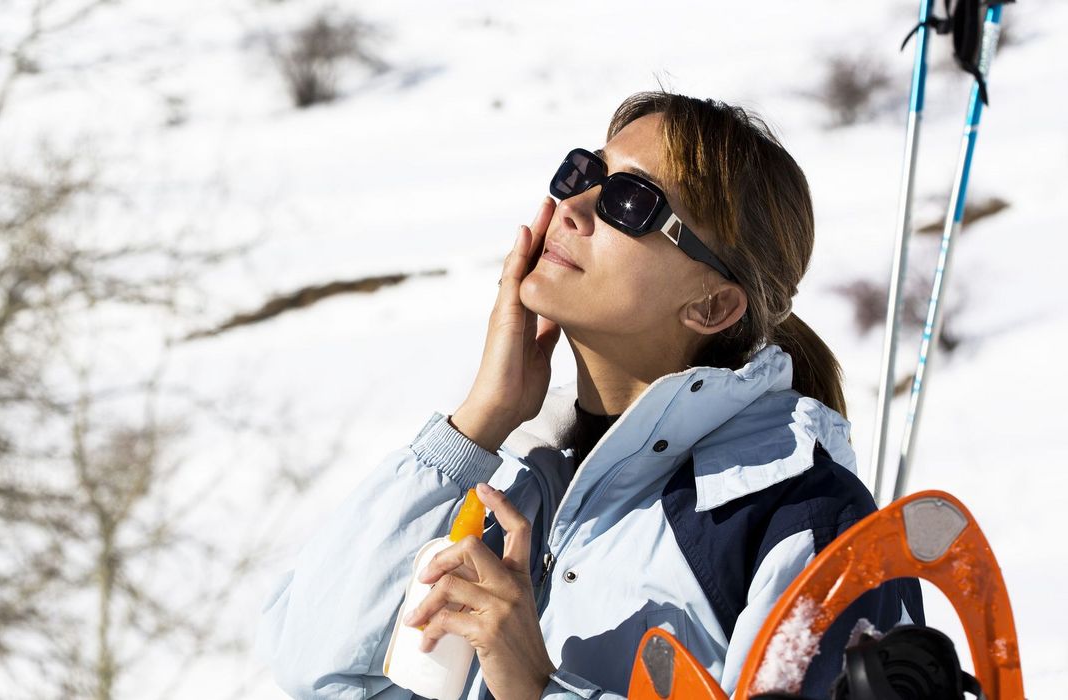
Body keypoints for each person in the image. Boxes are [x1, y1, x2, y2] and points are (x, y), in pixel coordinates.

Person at [257, 91, 923, 699]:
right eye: (584, 174)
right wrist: (476, 423)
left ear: (712, 305)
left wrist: (535, 687)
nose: (572, 209)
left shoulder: (803, 519)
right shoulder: (514, 484)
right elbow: (313, 669)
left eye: (630, 201)